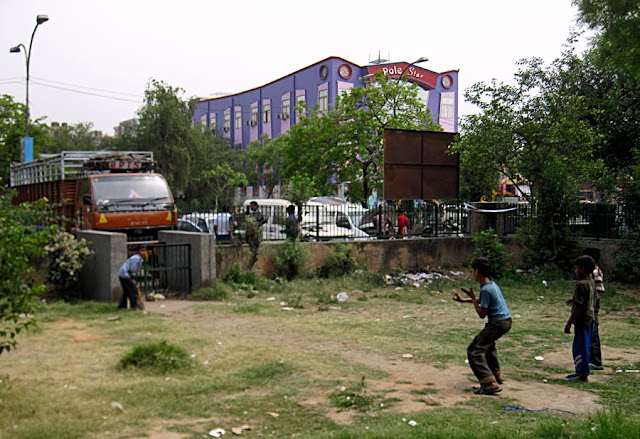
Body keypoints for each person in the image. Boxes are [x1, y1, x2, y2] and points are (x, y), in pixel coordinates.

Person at [452, 257, 512, 395]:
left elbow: (481, 314)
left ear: (477, 272)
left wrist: (472, 300)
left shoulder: (485, 289)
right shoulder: (491, 285)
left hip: (497, 323)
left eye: (473, 271)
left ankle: (489, 383)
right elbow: (483, 300)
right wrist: (464, 300)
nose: (472, 273)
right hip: (506, 321)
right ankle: (495, 375)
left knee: (474, 350)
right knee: (488, 345)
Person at [564, 255, 596, 382]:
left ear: (582, 269)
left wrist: (569, 322)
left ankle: (582, 374)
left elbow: (578, 306)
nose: (575, 270)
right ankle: (580, 371)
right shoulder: (591, 282)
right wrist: (573, 300)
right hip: (590, 318)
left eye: (577, 268)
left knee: (580, 347)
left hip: (582, 320)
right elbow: (586, 299)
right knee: (585, 345)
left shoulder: (581, 285)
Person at [583, 248, 605, 371]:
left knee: (593, 329)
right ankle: (592, 358)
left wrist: (593, 299)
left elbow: (601, 290)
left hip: (593, 303)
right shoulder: (593, 271)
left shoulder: (595, 272)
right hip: (592, 302)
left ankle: (596, 360)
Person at [117, 245, 147, 311]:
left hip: (123, 275)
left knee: (126, 291)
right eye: (142, 251)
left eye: (145, 251)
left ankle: (121, 306)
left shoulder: (138, 258)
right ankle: (134, 306)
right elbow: (132, 269)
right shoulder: (136, 258)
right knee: (134, 291)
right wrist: (132, 277)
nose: (144, 252)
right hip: (125, 275)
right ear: (138, 251)